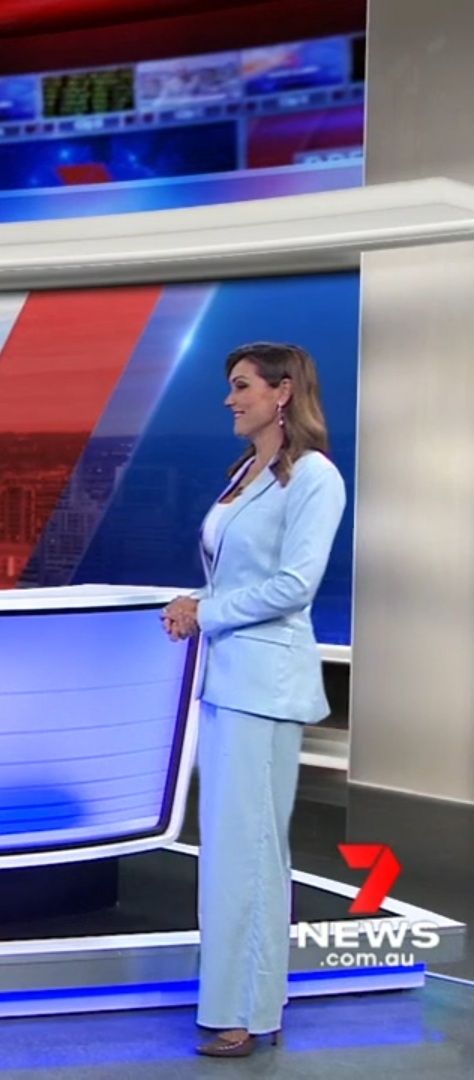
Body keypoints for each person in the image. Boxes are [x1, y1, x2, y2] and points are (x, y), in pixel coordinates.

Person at [161, 341, 346, 1058]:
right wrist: (192, 603)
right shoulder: (247, 472)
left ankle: (248, 1011)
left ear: (283, 391)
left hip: (264, 689)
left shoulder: (315, 477)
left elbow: (294, 587)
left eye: (242, 386)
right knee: (231, 850)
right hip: (228, 681)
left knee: (251, 852)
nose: (230, 399)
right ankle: (236, 1001)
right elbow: (235, 576)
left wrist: (205, 612)